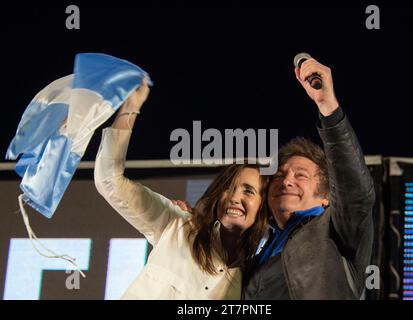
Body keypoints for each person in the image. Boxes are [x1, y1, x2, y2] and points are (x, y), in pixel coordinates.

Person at [94, 80, 269, 299]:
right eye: (228, 187)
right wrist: (131, 106)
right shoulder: (178, 225)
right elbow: (109, 180)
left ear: (263, 206)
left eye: (249, 191)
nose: (234, 197)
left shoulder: (252, 281)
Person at [241, 57, 375, 299]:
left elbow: (356, 195)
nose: (286, 181)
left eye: (300, 175)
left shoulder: (335, 232)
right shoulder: (254, 246)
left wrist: (328, 108)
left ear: (326, 196)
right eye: (279, 175)